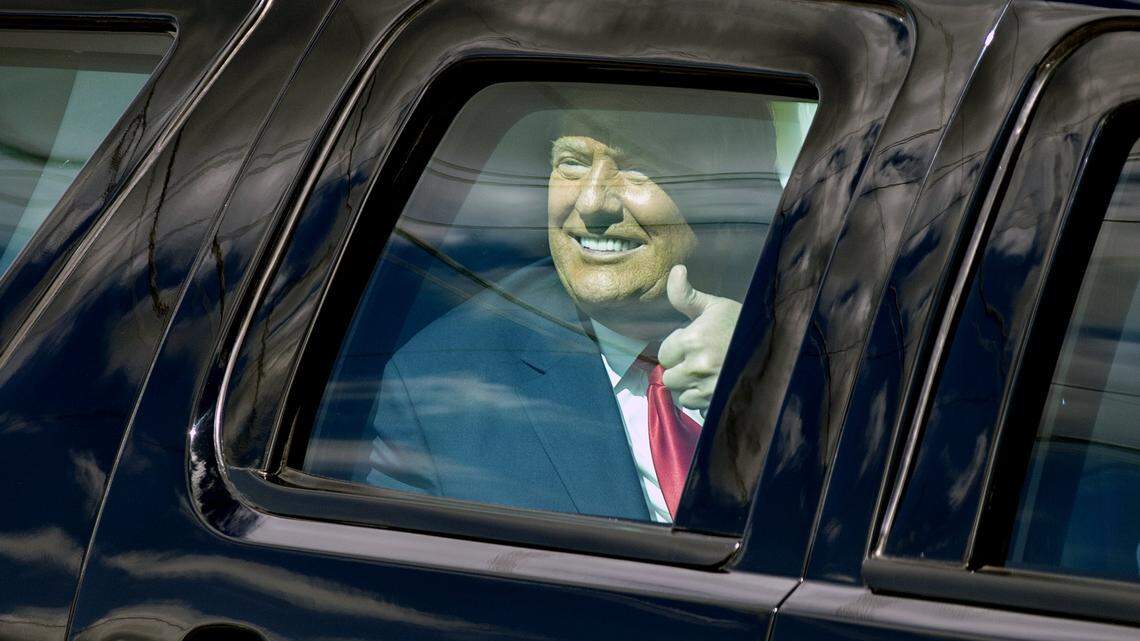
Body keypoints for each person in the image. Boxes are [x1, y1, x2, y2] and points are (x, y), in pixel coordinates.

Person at [361, 88, 780, 522]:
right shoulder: (445, 382)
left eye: (639, 168)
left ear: (744, 196)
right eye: (572, 164)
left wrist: (771, 380)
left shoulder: (821, 330)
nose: (592, 202)